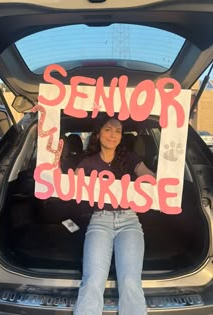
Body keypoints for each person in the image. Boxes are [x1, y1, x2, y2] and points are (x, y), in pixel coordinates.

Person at [73, 115, 155, 315]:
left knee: (130, 282)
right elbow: (69, 185)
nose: (113, 135)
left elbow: (149, 176)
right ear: (98, 133)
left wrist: (149, 179)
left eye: (118, 131)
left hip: (129, 220)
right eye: (108, 129)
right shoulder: (88, 162)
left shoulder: (130, 159)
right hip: (100, 220)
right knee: (92, 280)